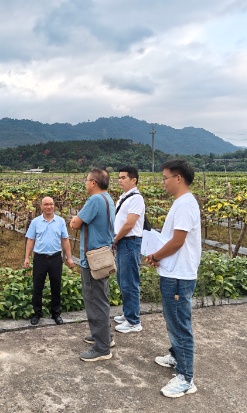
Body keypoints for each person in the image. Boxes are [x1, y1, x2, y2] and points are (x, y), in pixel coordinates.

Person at [145, 159, 201, 398]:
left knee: (179, 325)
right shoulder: (181, 203)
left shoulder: (186, 204)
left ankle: (186, 378)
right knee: (174, 321)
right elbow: (174, 239)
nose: (163, 182)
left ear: (178, 178)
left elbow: (177, 241)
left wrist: (156, 254)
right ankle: (176, 357)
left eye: (165, 177)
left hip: (179, 276)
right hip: (173, 271)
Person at [69, 168, 115, 362]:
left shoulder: (94, 200)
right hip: (103, 255)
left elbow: (75, 224)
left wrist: (74, 219)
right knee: (101, 298)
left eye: (87, 181)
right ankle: (104, 336)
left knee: (94, 300)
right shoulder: (108, 199)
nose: (85, 184)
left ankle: (102, 348)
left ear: (94, 182)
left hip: (92, 259)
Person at [24, 197, 74, 325]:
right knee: (37, 287)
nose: (49, 207)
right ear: (41, 206)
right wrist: (27, 257)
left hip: (55, 258)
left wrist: (69, 257)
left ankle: (56, 313)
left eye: (51, 204)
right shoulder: (35, 222)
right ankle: (37, 313)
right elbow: (30, 240)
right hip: (40, 258)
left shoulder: (60, 221)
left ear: (54, 206)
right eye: (46, 204)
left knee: (56, 286)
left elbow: (65, 240)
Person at [112, 166, 145, 334]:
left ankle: (134, 322)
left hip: (129, 242)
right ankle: (128, 314)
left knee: (130, 282)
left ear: (134, 180)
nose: (120, 180)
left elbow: (130, 224)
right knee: (123, 280)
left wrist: (115, 239)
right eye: (119, 177)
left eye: (123, 177)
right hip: (123, 242)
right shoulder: (125, 197)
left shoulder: (136, 198)